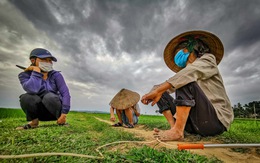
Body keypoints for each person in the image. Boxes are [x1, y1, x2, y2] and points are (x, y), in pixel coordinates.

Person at [141, 30, 234, 141]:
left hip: (214, 122)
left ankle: (178, 131)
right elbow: (170, 85)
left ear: (190, 49)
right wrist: (155, 91)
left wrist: (159, 90)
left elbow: (188, 74)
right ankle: (174, 128)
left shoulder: (208, 59)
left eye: (182, 50)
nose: (179, 54)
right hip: (193, 124)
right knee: (160, 90)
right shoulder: (186, 72)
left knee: (183, 81)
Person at [16, 48, 71, 130]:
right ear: (33, 60)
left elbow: (65, 93)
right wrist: (36, 72)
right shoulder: (24, 75)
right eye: (44, 59)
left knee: (49, 97)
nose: (48, 62)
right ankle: (34, 122)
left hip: (54, 111)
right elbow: (32, 90)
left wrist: (64, 114)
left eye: (50, 60)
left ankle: (61, 121)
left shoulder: (56, 75)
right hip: (38, 112)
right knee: (26, 97)